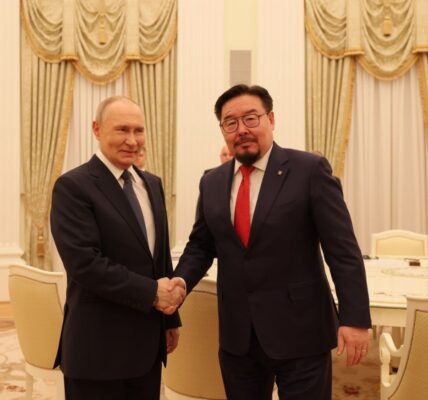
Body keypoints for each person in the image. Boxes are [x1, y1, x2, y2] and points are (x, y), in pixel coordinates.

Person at [171, 85, 371, 400]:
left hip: (302, 331)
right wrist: (180, 282)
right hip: (238, 336)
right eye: (231, 122)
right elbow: (201, 246)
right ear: (222, 129)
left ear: (271, 119)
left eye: (251, 118)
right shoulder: (211, 181)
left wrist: (355, 318)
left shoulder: (309, 170)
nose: (242, 129)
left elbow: (342, 249)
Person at [50, 96, 185, 400]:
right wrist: (153, 293)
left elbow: (159, 258)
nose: (132, 140)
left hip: (147, 347)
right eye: (122, 129)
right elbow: (86, 265)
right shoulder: (73, 186)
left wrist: (169, 319)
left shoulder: (152, 184)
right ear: (97, 129)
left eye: (139, 130)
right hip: (98, 351)